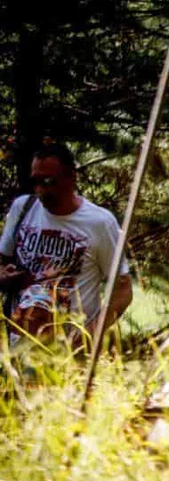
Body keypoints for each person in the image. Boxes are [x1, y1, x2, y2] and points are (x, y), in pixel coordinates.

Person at [0, 143, 132, 344]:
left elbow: (123, 291)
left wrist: (90, 334)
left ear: (72, 177)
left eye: (48, 181)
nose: (41, 189)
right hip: (19, 345)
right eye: (35, 181)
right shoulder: (23, 208)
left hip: (69, 353)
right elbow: (3, 261)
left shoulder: (99, 223)